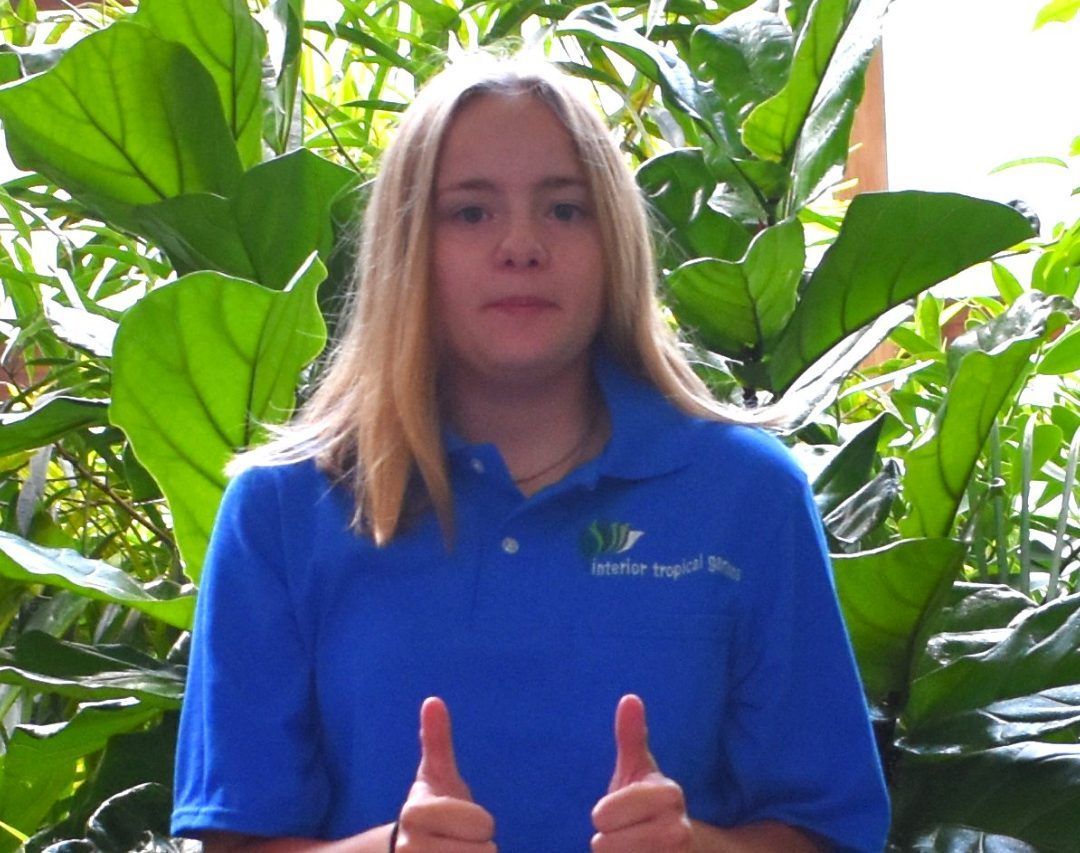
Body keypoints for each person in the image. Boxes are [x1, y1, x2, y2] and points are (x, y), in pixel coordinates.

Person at [171, 54, 890, 853]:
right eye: (471, 213)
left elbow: (829, 831)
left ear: (614, 239)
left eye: (565, 209)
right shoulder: (280, 510)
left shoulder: (748, 496)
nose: (522, 245)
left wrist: (697, 847)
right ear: (409, 245)